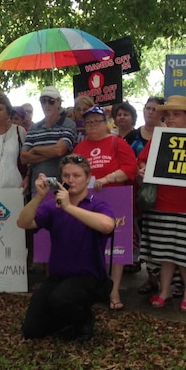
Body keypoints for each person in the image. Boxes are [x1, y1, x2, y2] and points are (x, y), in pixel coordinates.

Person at [16, 155, 115, 341]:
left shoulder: (96, 204)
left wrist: (68, 207)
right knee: (31, 330)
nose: (71, 180)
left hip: (89, 277)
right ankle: (68, 318)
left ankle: (84, 319)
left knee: (61, 299)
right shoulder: (52, 207)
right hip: (58, 277)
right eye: (67, 175)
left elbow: (107, 225)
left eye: (77, 175)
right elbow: (22, 223)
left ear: (88, 178)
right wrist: (39, 196)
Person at [138, 96, 186, 312]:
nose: (170, 118)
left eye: (176, 114)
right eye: (167, 115)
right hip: (163, 202)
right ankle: (164, 290)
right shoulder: (158, 137)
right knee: (165, 250)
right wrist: (142, 169)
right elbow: (143, 160)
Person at [73, 106, 137, 310]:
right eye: (88, 122)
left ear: (106, 123)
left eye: (96, 121)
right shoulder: (80, 148)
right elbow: (71, 172)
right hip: (87, 202)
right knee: (89, 245)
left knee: (116, 246)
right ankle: (92, 287)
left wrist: (107, 178)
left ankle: (114, 289)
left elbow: (130, 168)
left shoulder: (117, 142)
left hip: (115, 198)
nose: (91, 126)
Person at [19, 86, 79, 197]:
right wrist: (51, 151)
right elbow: (23, 158)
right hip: (37, 187)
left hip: (62, 187)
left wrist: (36, 149)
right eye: (43, 101)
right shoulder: (34, 127)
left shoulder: (68, 124)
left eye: (51, 101)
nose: (46, 105)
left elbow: (60, 150)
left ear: (59, 103)